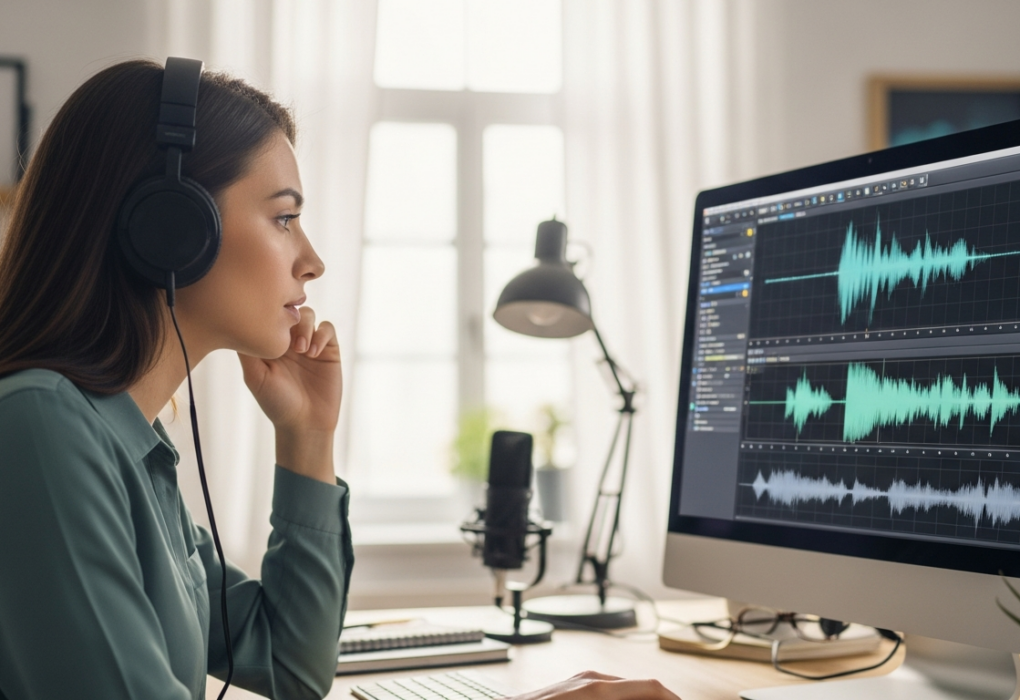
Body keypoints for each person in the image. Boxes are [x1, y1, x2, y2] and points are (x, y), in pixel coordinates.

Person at [0, 59, 681, 700]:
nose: (313, 261)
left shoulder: (129, 446)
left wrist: (307, 436)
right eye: (285, 218)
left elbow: (290, 664)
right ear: (172, 229)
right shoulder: (42, 429)